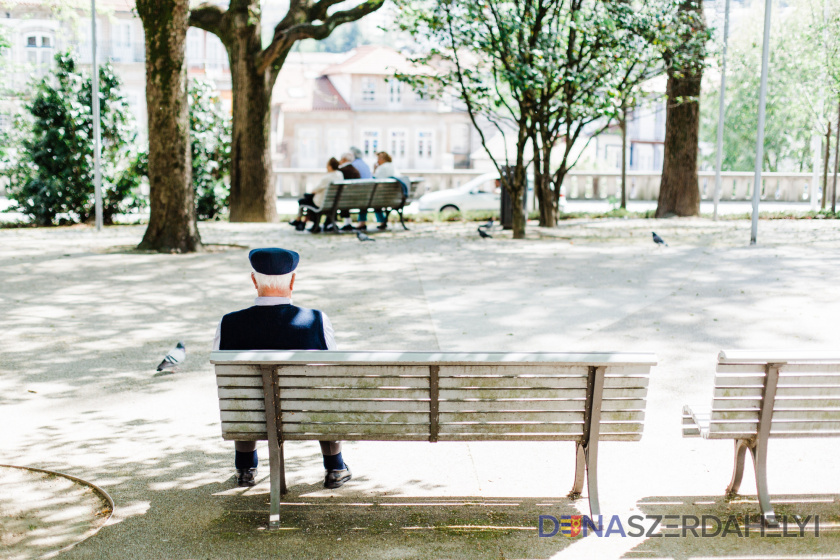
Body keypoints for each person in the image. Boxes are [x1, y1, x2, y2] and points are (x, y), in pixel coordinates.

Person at [213, 248, 351, 489]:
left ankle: (245, 468)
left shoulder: (229, 323)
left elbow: (226, 375)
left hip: (252, 416)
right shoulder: (316, 320)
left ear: (254, 281)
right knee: (324, 391)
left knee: (243, 395)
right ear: (293, 281)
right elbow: (331, 369)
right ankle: (335, 466)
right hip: (306, 414)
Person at [289, 157, 342, 234]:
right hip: (334, 203)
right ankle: (302, 222)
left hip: (322, 203)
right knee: (307, 200)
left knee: (303, 200)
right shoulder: (340, 175)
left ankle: (299, 221)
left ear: (330, 167)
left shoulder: (327, 178)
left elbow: (314, 190)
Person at [356, 151, 397, 231]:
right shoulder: (392, 167)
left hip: (380, 196)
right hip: (390, 196)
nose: (377, 160)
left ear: (383, 159)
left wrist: (375, 169)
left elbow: (374, 180)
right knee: (375, 201)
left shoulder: (382, 168)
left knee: (365, 201)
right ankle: (382, 221)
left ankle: (362, 222)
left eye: (378, 158)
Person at [336, 152, 362, 231]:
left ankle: (331, 223)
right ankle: (347, 223)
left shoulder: (341, 171)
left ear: (344, 159)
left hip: (345, 199)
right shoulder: (356, 170)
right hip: (357, 198)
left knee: (337, 198)